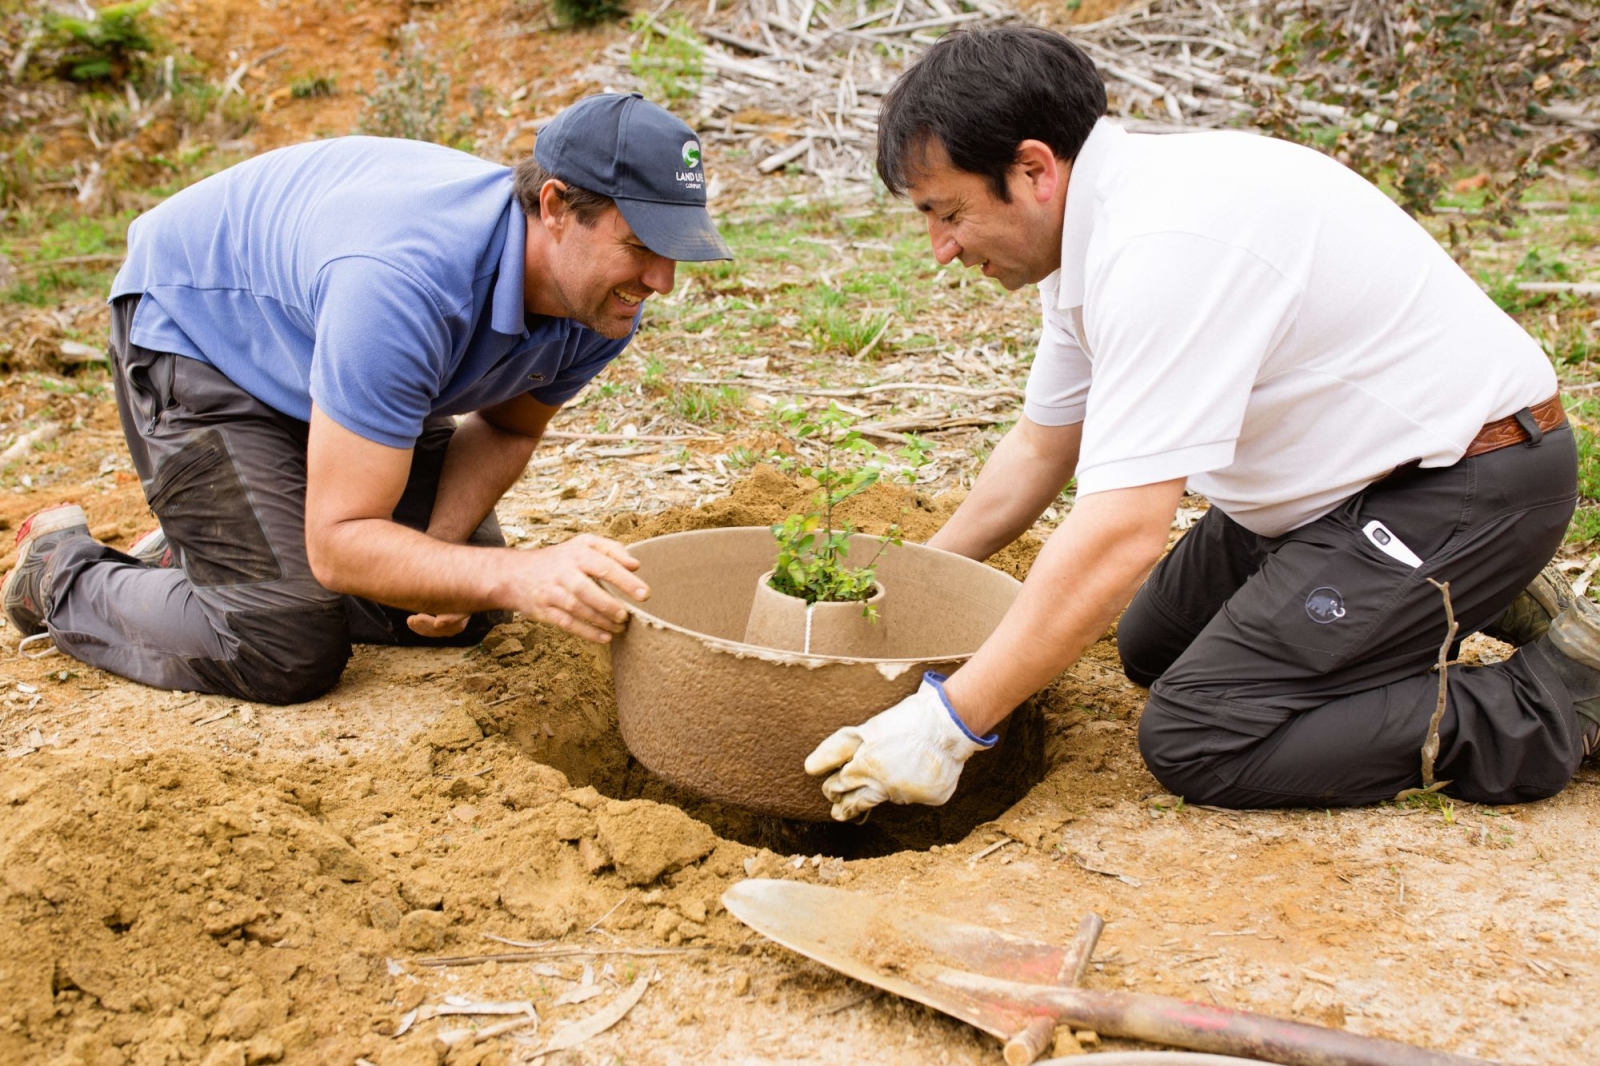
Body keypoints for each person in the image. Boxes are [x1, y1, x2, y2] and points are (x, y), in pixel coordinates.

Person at [805, 26, 1600, 820]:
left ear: (1033, 169)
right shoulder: (1096, 232)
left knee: (1202, 734)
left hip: (1466, 479)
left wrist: (949, 726)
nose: (939, 249)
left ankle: (1558, 695)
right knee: (1155, 643)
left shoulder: (1164, 249)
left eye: (947, 213)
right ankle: (1469, 591)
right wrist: (902, 592)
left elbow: (1122, 534)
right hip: (1346, 484)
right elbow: (1043, 445)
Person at [2, 92, 730, 705]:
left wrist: (444, 560)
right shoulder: (406, 283)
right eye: (640, 245)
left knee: (458, 601)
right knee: (282, 645)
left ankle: (231, 544)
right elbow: (342, 540)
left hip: (327, 356)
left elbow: (508, 428)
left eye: (677, 250)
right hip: (203, 339)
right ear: (556, 208)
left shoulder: (600, 301)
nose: (661, 280)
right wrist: (512, 573)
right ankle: (58, 571)